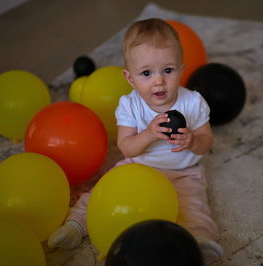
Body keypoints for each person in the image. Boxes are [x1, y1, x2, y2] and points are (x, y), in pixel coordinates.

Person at [48, 18, 223, 264]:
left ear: (182, 69)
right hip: (138, 165)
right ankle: (76, 225)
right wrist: (149, 134)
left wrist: (193, 140)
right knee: (101, 192)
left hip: (183, 171)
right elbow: (126, 146)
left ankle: (195, 241)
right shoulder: (130, 105)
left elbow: (207, 141)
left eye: (168, 70)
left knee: (192, 208)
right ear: (130, 78)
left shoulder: (193, 102)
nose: (159, 80)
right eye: (146, 73)